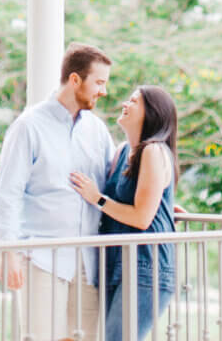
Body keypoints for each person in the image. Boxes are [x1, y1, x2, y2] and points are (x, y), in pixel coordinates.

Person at [0, 43, 114, 341]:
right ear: (75, 80)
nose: (104, 91)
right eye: (99, 82)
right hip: (41, 256)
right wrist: (9, 252)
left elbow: (115, 181)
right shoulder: (28, 126)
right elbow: (8, 193)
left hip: (88, 259)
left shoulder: (97, 131)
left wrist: (160, 205)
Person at [69, 85, 178, 341]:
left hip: (145, 266)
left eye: (134, 101)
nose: (125, 105)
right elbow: (139, 199)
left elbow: (141, 217)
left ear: (152, 113)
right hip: (117, 261)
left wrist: (97, 199)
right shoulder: (121, 152)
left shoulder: (153, 151)